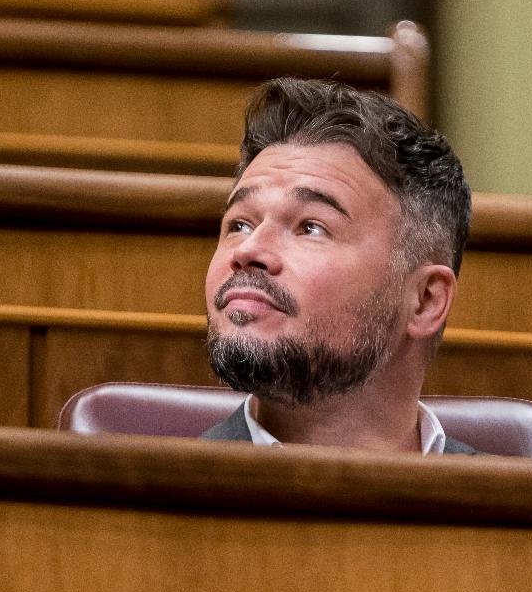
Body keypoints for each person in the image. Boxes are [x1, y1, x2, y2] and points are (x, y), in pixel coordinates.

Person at [202, 77, 474, 454]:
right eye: (239, 224)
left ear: (425, 300)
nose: (248, 250)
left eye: (310, 227)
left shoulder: (518, 509)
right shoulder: (146, 504)